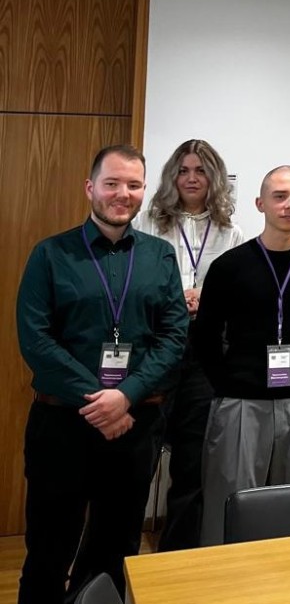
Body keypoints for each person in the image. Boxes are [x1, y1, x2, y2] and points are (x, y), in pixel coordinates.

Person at [16, 145, 187, 603]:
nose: (122, 194)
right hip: (63, 424)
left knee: (115, 547)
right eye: (112, 183)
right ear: (90, 188)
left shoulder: (160, 256)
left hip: (135, 425)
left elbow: (173, 337)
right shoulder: (50, 254)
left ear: (144, 191)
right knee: (49, 549)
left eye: (133, 185)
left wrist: (126, 395)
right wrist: (101, 400)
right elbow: (35, 339)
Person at [194, 166, 290, 546]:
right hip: (241, 404)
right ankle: (223, 576)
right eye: (280, 196)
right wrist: (229, 385)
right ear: (260, 204)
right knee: (229, 506)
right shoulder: (229, 267)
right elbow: (204, 337)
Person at [135, 139, 244, 551]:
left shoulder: (231, 231)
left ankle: (175, 555)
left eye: (201, 171)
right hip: (154, 347)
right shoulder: (148, 222)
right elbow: (133, 284)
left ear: (214, 178)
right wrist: (174, 296)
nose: (192, 178)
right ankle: (119, 555)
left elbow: (236, 293)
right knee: (139, 458)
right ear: (172, 177)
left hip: (203, 353)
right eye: (183, 170)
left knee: (192, 463)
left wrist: (207, 297)